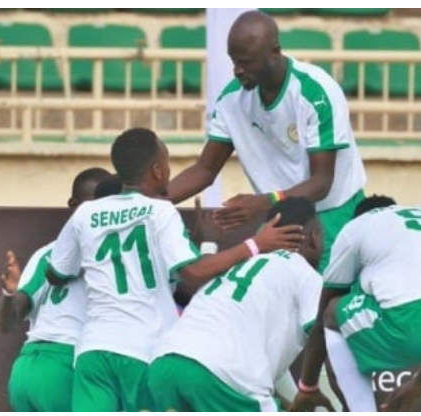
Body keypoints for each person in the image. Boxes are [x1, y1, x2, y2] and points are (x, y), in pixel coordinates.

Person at [45, 127, 304, 411]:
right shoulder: (159, 211)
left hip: (93, 351)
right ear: (157, 170)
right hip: (143, 349)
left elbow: (56, 274)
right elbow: (192, 273)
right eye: (168, 163)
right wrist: (256, 243)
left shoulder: (85, 213)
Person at [166, 10, 366, 275]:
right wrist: (145, 201)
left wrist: (263, 202)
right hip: (279, 218)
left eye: (246, 62)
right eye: (233, 60)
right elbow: (205, 169)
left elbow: (321, 183)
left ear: (275, 52)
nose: (237, 70)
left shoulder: (316, 92)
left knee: (324, 309)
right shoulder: (230, 100)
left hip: (333, 215)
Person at [292, 195, 421, 412]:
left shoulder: (356, 227)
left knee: (332, 312)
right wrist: (418, 384)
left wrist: (307, 386)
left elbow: (322, 319)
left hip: (410, 321)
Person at [148, 197, 332, 412]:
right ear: (314, 238)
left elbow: (262, 385)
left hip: (164, 365)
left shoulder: (237, 266)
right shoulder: (307, 275)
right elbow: (324, 336)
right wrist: (311, 389)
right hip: (220, 376)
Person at [0, 167, 113, 412]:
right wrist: (9, 294)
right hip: (65, 366)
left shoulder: (47, 252)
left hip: (26, 372)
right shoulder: (110, 251)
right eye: (93, 206)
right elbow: (9, 318)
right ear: (73, 205)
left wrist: (11, 295)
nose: (100, 214)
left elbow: (9, 321)